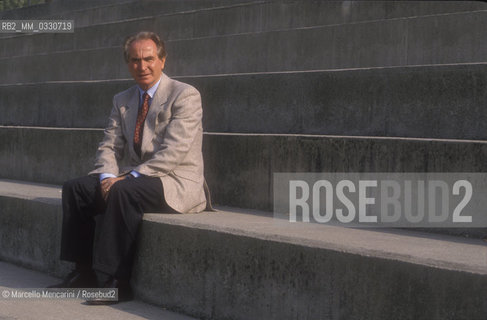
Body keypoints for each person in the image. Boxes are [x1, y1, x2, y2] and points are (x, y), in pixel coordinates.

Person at [49, 31, 211, 303]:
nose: (142, 66)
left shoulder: (185, 95)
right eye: (135, 60)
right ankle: (83, 272)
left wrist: (128, 178)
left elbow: (174, 151)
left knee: (123, 192)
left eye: (149, 59)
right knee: (76, 188)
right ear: (128, 63)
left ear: (162, 60)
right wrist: (108, 175)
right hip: (137, 177)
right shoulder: (122, 99)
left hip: (175, 179)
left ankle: (115, 281)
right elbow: (109, 145)